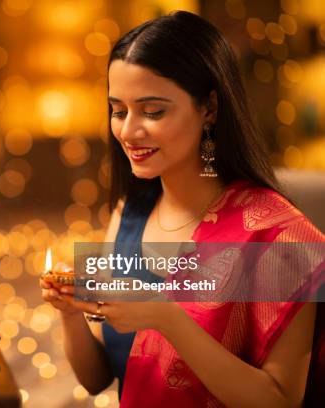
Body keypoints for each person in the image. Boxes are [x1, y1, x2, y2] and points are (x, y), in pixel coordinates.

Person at [40, 10, 324, 408]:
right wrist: (69, 312)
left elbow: (279, 400)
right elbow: (97, 377)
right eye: (118, 110)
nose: (128, 131)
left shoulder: (279, 237)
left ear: (209, 107)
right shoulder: (131, 212)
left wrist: (166, 317)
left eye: (153, 111)